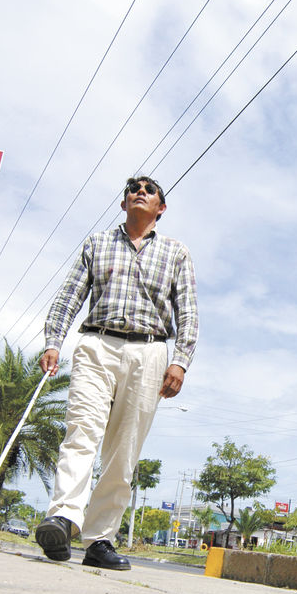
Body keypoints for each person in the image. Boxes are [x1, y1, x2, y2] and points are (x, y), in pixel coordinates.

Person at [35, 175, 198, 570]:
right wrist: (53, 341)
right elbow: (68, 297)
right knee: (81, 431)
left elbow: (188, 312)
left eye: (149, 190)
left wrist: (180, 360)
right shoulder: (97, 243)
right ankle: (62, 518)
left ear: (161, 208)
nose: (140, 192)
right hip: (97, 344)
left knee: (124, 450)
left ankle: (99, 540)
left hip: (149, 352)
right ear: (124, 203)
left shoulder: (176, 252)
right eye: (132, 189)